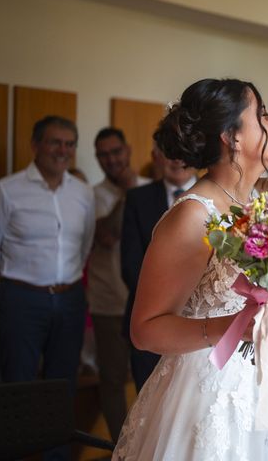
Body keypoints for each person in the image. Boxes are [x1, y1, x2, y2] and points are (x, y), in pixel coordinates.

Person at [113, 78, 268, 460]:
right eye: (259, 114)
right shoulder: (193, 216)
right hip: (209, 390)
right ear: (232, 137)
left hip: (267, 382)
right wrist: (227, 327)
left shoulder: (266, 197)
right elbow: (144, 329)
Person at [0, 115, 94, 460]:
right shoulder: (5, 190)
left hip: (71, 298)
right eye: (54, 142)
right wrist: (17, 290)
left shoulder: (83, 194)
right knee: (19, 385)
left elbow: (84, 245)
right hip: (21, 300)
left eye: (69, 144)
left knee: (63, 388)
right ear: (35, 145)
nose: (62, 150)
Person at [87, 127, 149, 441]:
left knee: (150, 377)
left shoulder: (152, 188)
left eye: (116, 152)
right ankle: (118, 447)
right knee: (112, 380)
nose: (111, 159)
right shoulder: (92, 195)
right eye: (103, 154)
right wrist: (125, 196)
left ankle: (146, 444)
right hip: (108, 301)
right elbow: (106, 237)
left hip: (147, 301)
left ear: (127, 150)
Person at [120, 141, 196, 392]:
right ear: (157, 157)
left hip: (199, 323)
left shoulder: (217, 197)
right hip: (150, 320)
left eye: (183, 151)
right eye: (169, 151)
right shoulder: (137, 198)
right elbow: (130, 265)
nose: (176, 159)